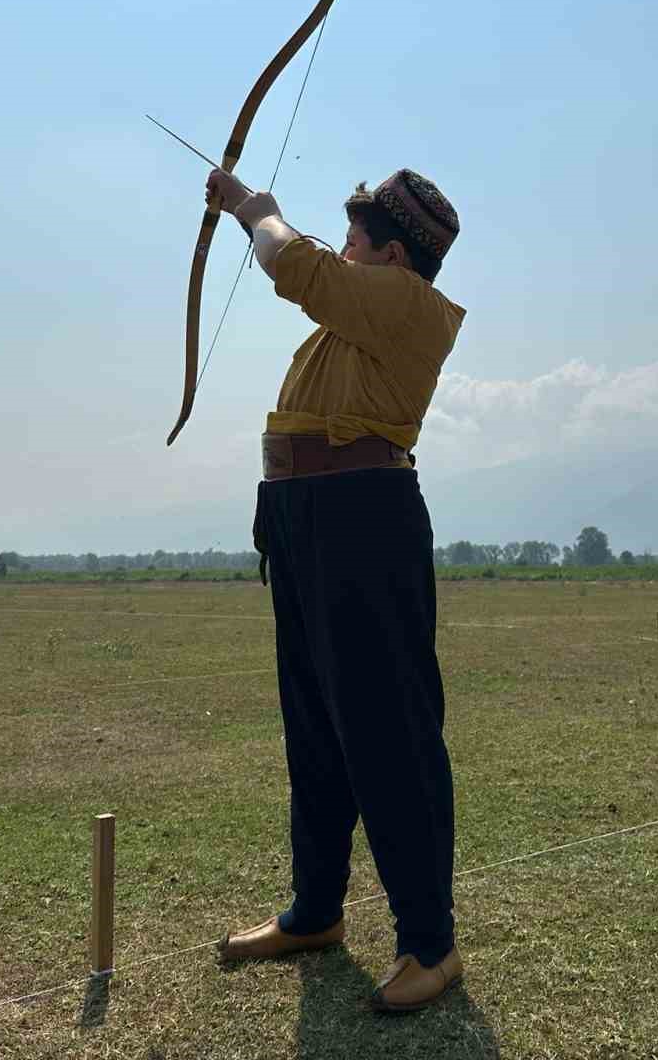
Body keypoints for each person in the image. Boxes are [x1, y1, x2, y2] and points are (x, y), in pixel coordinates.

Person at [203, 165, 467, 1011]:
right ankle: (316, 911)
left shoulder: (407, 305)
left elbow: (297, 264)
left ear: (393, 255)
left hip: (363, 515)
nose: (340, 244)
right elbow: (313, 275)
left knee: (386, 730)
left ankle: (429, 943)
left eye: (355, 237)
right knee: (314, 726)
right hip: (303, 515)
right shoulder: (353, 317)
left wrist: (256, 210)